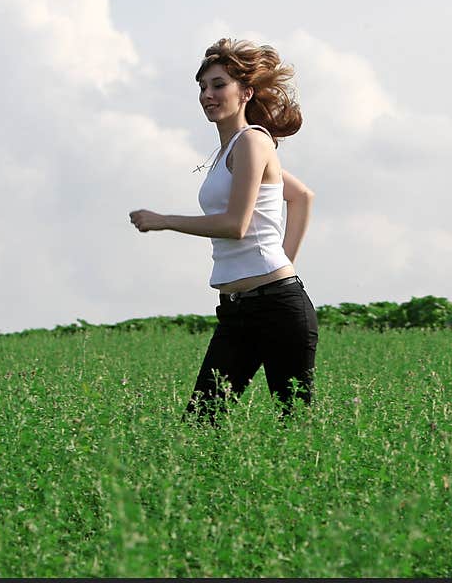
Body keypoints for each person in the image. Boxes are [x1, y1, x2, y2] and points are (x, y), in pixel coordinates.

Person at [129, 37, 318, 426]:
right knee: (201, 422)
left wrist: (164, 220)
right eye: (202, 87)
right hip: (238, 312)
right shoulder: (230, 150)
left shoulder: (253, 141)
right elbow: (300, 196)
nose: (207, 95)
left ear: (245, 92)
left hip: (278, 309)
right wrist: (282, 261)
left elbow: (237, 225)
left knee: (296, 426)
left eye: (218, 85)